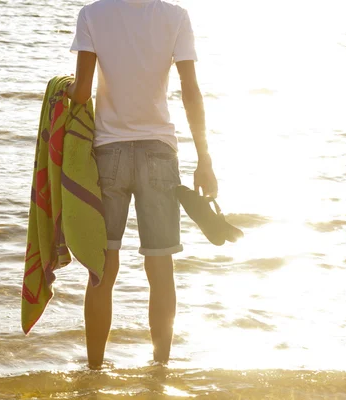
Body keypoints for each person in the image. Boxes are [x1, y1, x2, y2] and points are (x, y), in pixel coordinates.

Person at [66, 0, 217, 368]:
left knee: (103, 268)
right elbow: (190, 91)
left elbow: (82, 93)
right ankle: (160, 369)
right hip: (159, 154)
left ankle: (95, 371)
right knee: (160, 266)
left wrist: (63, 89)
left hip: (109, 154)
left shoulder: (92, 15)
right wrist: (204, 158)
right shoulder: (175, 17)